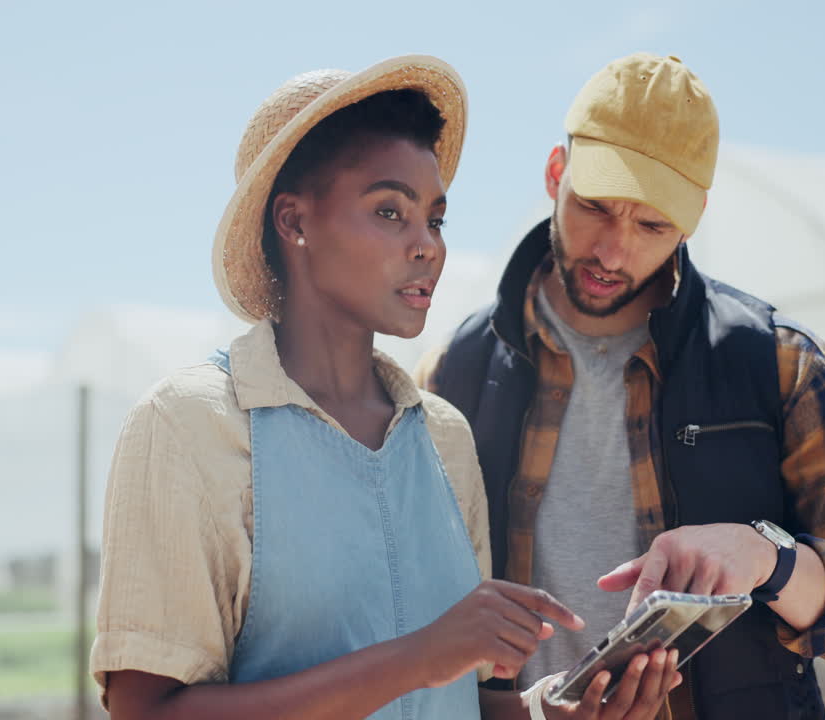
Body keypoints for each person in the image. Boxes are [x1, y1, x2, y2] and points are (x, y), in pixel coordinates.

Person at [89, 55, 679, 720]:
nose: (427, 244)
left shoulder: (445, 440)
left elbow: (475, 702)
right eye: (390, 211)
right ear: (294, 222)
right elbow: (146, 712)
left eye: (436, 217)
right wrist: (417, 658)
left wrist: (566, 711)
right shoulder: (186, 426)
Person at [417, 52, 825, 719]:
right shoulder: (450, 378)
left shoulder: (783, 366)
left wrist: (768, 559)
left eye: (651, 225)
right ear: (556, 173)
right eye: (595, 207)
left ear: (694, 217)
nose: (613, 251)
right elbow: (414, 627)